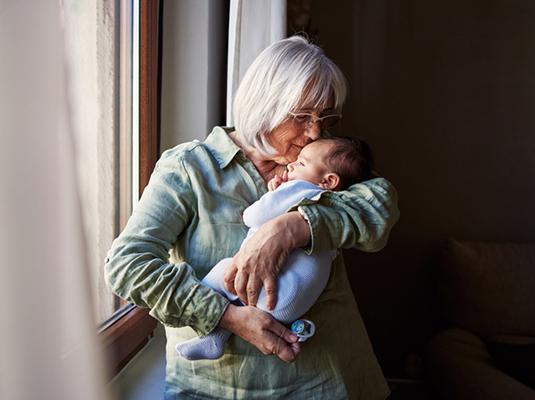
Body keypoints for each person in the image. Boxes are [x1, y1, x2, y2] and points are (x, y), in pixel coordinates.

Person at [105, 35, 399, 399]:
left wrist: (294, 226)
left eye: (323, 117)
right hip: (216, 388)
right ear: (266, 103)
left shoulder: (318, 160)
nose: (315, 131)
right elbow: (126, 266)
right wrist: (225, 317)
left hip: (325, 383)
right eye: (303, 115)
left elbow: (380, 205)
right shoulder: (190, 169)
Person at [176, 137, 373, 361]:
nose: (291, 166)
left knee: (224, 272)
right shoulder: (334, 200)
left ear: (328, 181)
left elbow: (253, 216)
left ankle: (213, 330)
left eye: (301, 163)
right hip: (294, 304)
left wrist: (274, 195)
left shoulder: (301, 188)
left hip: (274, 294)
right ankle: (227, 338)